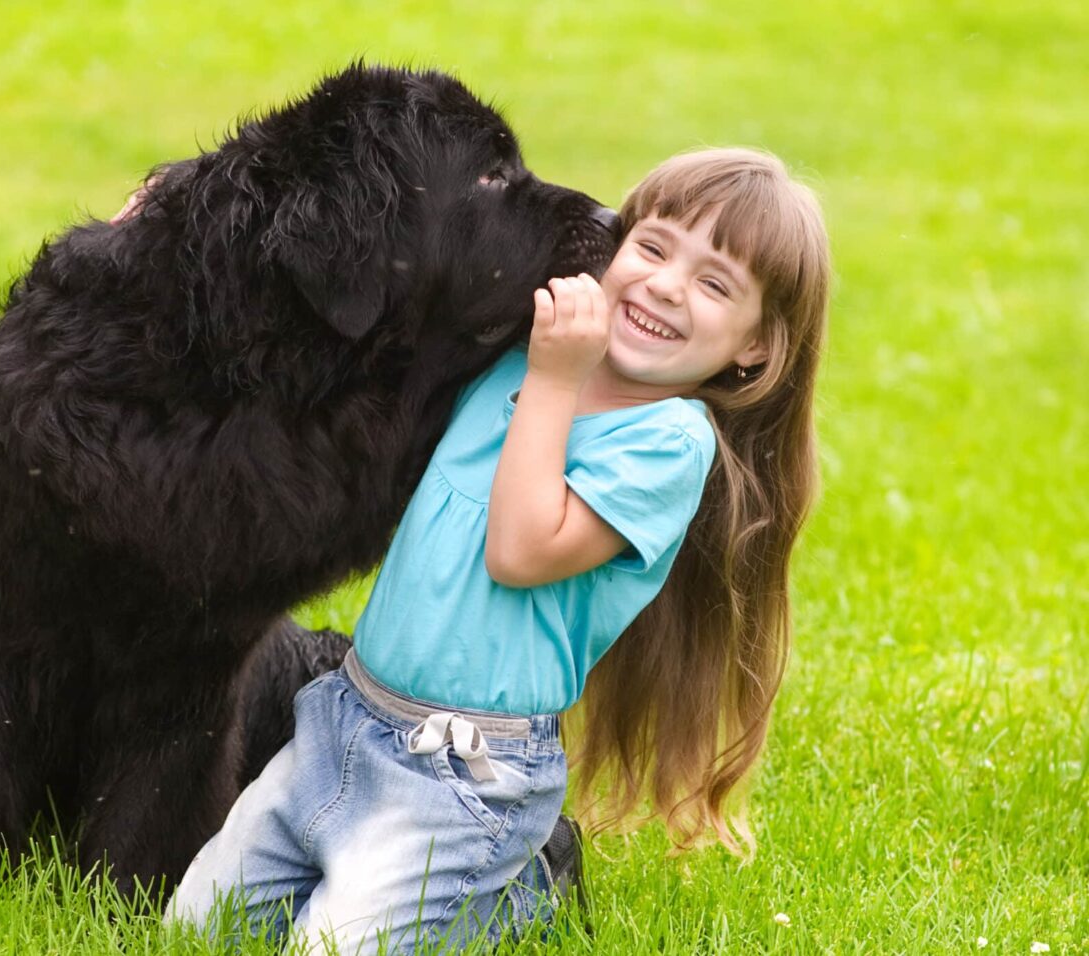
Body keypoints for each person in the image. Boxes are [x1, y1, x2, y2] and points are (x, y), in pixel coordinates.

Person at [163, 147, 832, 953]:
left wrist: (553, 380)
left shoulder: (665, 442)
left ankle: (520, 892)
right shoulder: (521, 346)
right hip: (343, 722)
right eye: (652, 247)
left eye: (715, 284)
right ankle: (455, 881)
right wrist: (171, 201)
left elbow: (521, 550)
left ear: (755, 349)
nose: (664, 285)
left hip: (464, 778)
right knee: (196, 931)